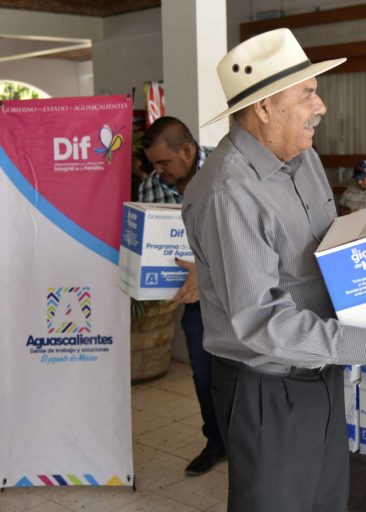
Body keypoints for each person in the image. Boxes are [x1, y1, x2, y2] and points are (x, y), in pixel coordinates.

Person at [182, 28, 366, 512]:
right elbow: (259, 322)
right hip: (266, 390)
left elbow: (326, 251)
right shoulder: (230, 192)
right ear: (265, 107)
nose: (322, 107)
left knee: (325, 501)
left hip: (322, 369)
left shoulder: (303, 157)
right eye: (308, 94)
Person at [139, 116, 227, 476]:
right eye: (154, 164)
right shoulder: (153, 189)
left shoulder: (227, 171)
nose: (158, 172)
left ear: (188, 150)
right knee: (204, 374)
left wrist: (202, 269)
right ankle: (216, 442)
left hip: (238, 294)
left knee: (246, 373)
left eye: (164, 162)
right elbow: (147, 248)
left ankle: (249, 443)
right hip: (196, 302)